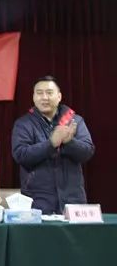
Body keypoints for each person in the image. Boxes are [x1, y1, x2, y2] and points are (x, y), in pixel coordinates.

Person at [11, 76, 94, 214]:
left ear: (59, 96)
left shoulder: (75, 121)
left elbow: (87, 151)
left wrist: (69, 142)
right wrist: (51, 144)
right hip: (37, 203)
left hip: (73, 202)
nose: (44, 97)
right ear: (33, 97)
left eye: (49, 93)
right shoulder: (23, 124)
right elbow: (21, 155)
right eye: (39, 93)